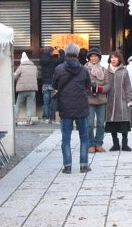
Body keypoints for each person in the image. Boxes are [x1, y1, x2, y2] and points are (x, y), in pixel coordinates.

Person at [52, 43, 91, 174]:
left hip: (65, 107)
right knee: (84, 137)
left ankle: (67, 166)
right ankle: (84, 165)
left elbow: (55, 85)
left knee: (66, 138)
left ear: (66, 53)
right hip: (81, 107)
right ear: (78, 54)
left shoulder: (59, 69)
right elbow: (88, 87)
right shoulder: (84, 70)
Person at [105, 51, 132, 151]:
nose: (113, 59)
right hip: (110, 102)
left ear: (119, 59)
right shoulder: (106, 71)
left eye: (115, 57)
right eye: (112, 58)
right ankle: (115, 144)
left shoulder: (124, 71)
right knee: (112, 124)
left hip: (122, 102)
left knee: (124, 123)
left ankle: (125, 144)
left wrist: (130, 100)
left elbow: (128, 87)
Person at [85, 47, 110, 153]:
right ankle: (90, 144)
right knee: (89, 123)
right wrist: (88, 88)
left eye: (96, 56)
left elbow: (108, 85)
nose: (94, 58)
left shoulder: (104, 70)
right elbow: (80, 83)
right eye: (92, 56)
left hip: (101, 99)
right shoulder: (84, 69)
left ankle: (98, 143)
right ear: (89, 58)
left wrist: (101, 89)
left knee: (101, 123)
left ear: (99, 58)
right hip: (89, 99)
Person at [14, 52, 39, 126]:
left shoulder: (21, 67)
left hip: (22, 90)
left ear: (22, 61)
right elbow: (36, 76)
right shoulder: (34, 67)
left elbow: (14, 76)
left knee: (18, 104)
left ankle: (15, 120)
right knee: (30, 106)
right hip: (32, 90)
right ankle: (28, 121)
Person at [40, 47, 61, 123]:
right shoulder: (53, 60)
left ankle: (46, 118)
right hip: (53, 83)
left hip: (45, 83)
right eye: (52, 52)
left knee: (46, 102)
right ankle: (53, 118)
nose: (52, 53)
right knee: (53, 101)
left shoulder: (42, 60)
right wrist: (60, 50)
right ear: (50, 53)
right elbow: (62, 59)